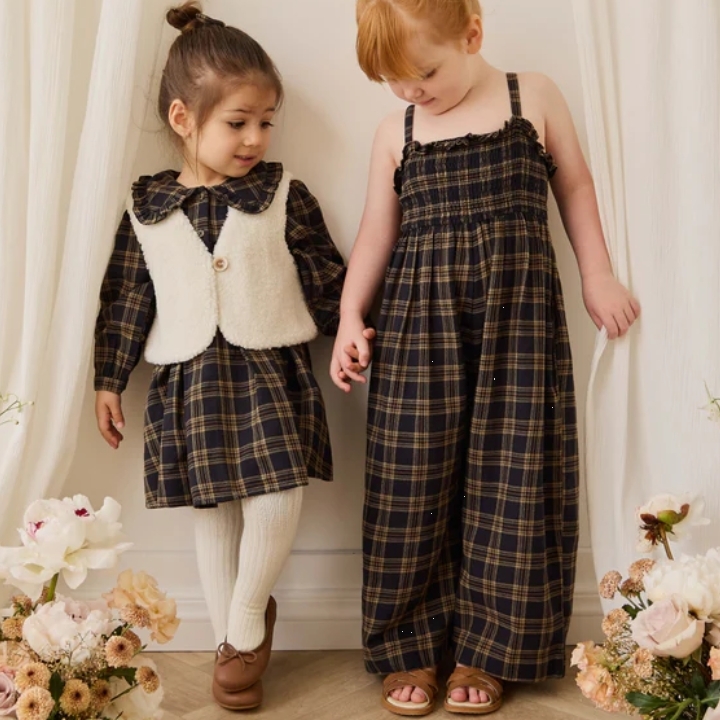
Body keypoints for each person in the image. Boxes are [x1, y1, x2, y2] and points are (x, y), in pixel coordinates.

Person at [330, 0, 640, 715]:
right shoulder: (397, 131)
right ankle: (410, 644)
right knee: (411, 476)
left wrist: (596, 274)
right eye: (392, 80)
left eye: (423, 72)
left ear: (473, 34)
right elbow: (377, 230)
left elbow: (575, 185)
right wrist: (350, 315)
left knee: (514, 473)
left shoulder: (533, 97)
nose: (410, 91)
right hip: (417, 325)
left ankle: (490, 648)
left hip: (518, 319)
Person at [94, 2, 345, 711]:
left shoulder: (283, 194)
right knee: (212, 506)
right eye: (238, 122)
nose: (255, 138)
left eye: (266, 122)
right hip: (190, 376)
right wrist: (109, 380)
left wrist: (357, 333)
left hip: (269, 368)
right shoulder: (146, 209)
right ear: (184, 119)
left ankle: (243, 623)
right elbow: (126, 299)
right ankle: (230, 637)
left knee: (277, 489)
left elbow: (325, 273)